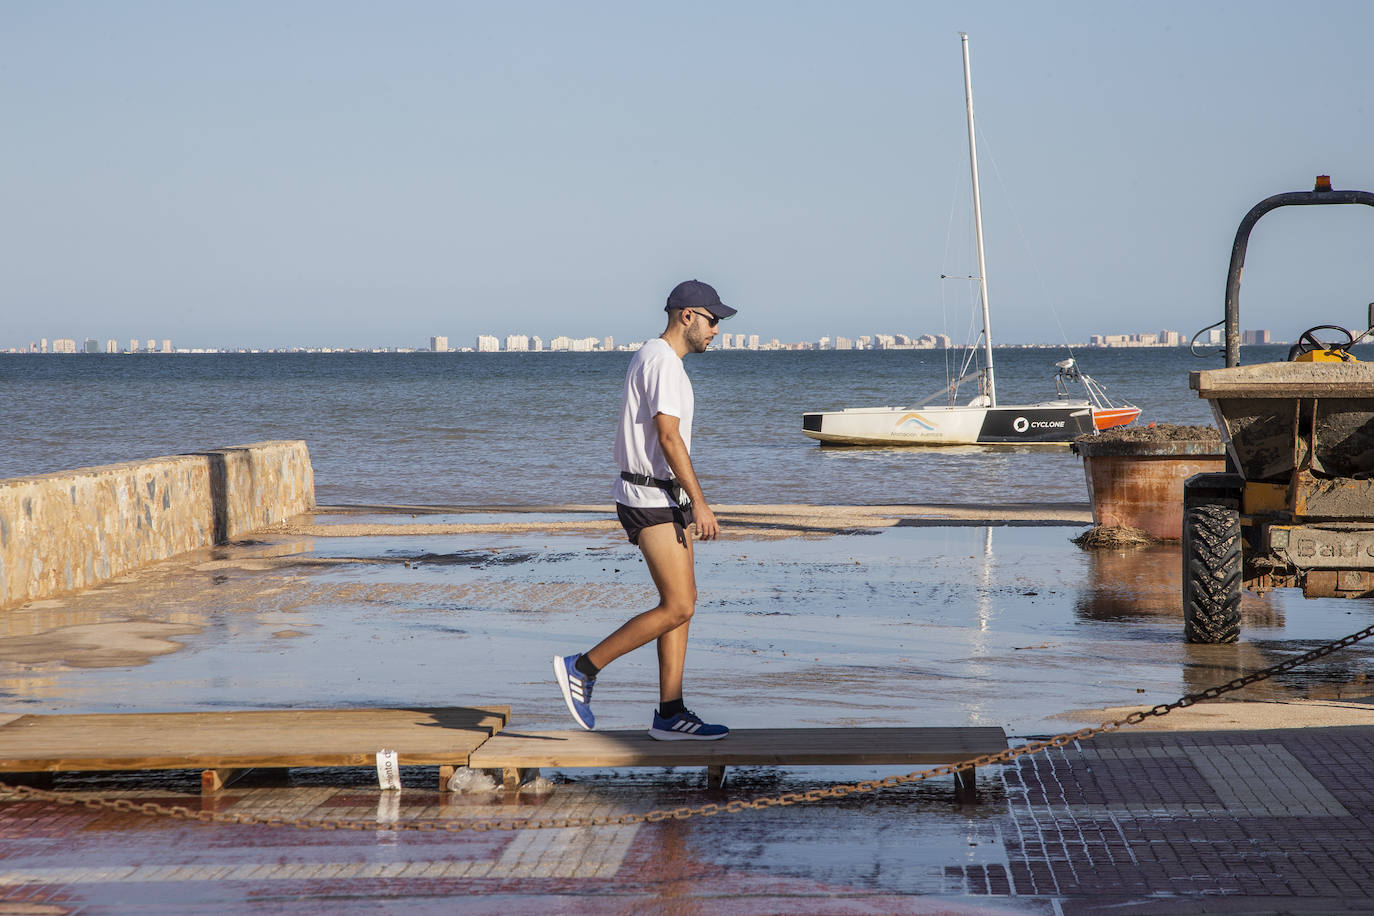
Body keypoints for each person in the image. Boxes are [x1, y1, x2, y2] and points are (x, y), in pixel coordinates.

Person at [554, 279, 736, 741]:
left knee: (682, 606)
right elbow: (669, 437)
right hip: (650, 497)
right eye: (713, 320)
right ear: (687, 316)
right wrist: (700, 502)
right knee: (679, 604)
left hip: (660, 496)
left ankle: (670, 714)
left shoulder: (659, 359)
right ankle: (583, 666)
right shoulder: (662, 363)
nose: (718, 330)